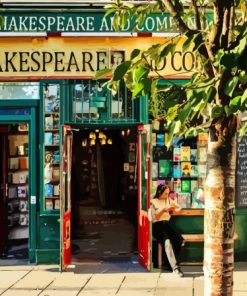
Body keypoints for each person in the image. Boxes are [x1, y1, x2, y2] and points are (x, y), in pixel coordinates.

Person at [151, 184, 184, 277]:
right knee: (168, 242)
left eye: (168, 193)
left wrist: (173, 210)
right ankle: (175, 268)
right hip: (158, 226)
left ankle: (169, 264)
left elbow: (179, 207)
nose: (167, 195)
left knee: (179, 240)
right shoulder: (153, 202)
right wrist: (164, 210)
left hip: (167, 224)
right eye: (165, 194)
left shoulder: (168, 200)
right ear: (159, 193)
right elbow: (154, 218)